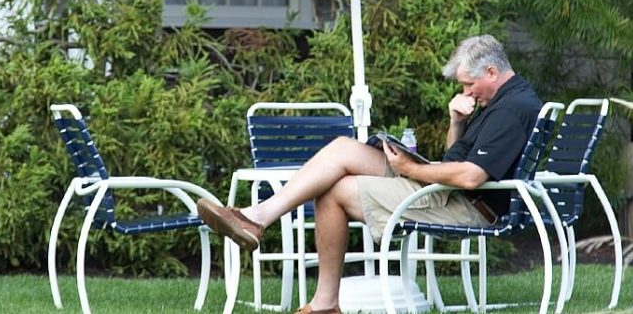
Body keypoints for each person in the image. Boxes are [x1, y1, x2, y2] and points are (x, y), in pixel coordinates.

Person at [196, 35, 541, 314]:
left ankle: (325, 304)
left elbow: (470, 177)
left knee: (334, 191)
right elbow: (456, 155)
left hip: (465, 206)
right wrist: (457, 121)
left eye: (469, 85)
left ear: (492, 72)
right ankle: (257, 217)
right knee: (344, 148)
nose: (466, 92)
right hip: (446, 189)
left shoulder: (512, 109)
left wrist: (412, 168)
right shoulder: (498, 102)